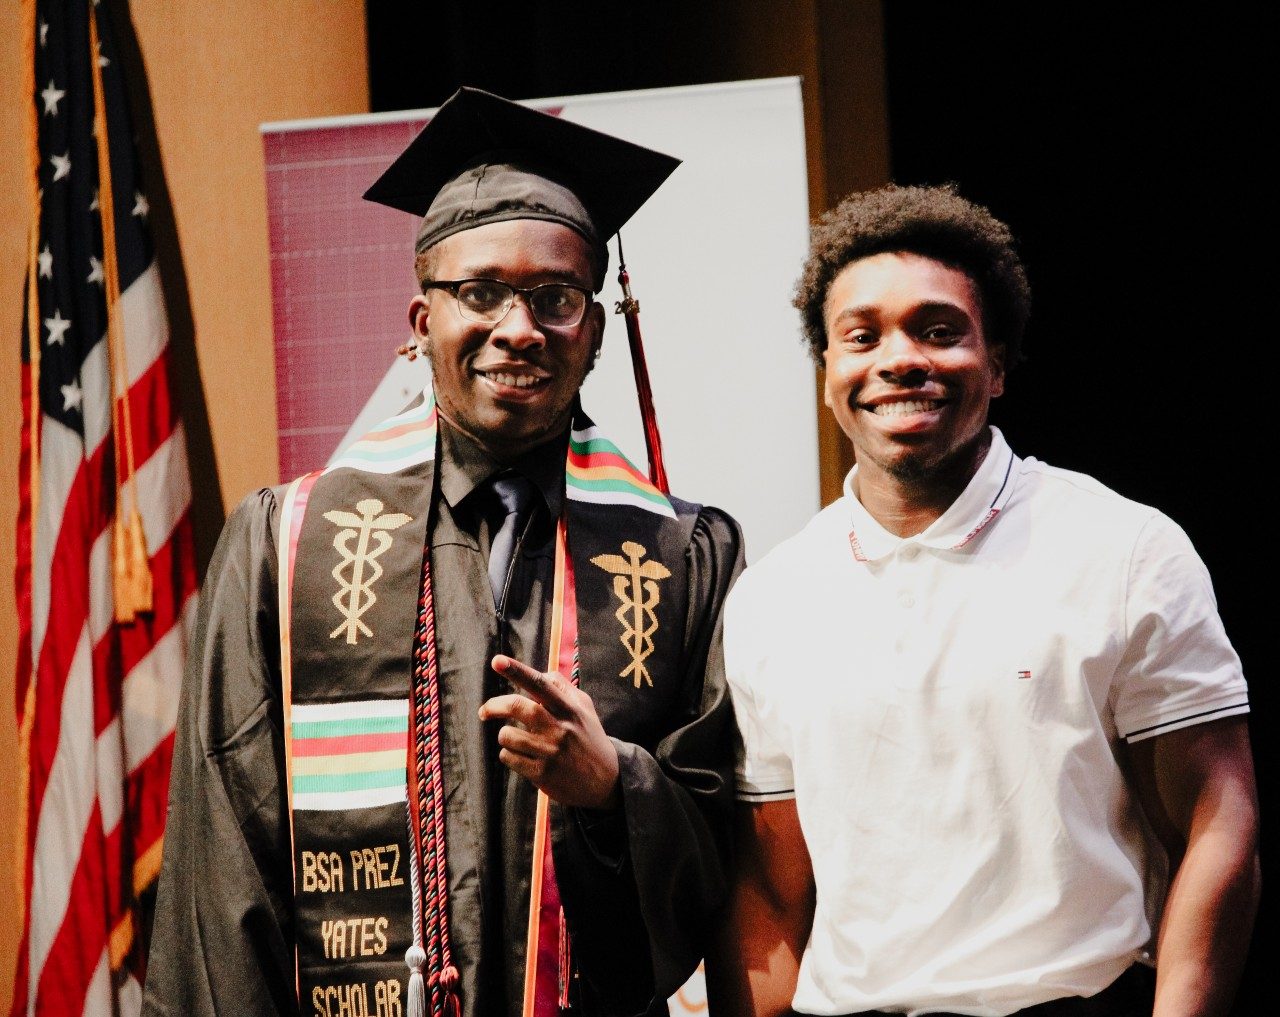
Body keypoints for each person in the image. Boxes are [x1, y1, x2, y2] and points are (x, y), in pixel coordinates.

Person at [142, 87, 744, 1017]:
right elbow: (221, 872)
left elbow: (734, 851)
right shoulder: (282, 545)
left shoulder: (682, 555)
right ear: (422, 326)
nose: (518, 327)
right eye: (480, 293)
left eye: (556, 298)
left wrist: (615, 786)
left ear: (594, 332)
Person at [708, 184, 1259, 1017]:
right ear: (828, 373)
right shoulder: (773, 595)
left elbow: (1220, 823)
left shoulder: (1123, 548)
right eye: (861, 336)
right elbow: (774, 893)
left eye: (937, 330)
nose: (898, 358)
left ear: (997, 364)